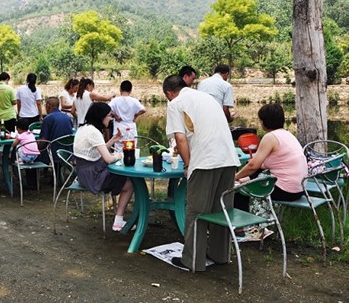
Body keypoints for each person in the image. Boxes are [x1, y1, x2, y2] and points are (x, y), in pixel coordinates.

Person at [163, 74, 239, 271]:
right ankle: (220, 255)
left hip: (205, 161)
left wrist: (188, 165)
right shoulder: (207, 98)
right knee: (221, 210)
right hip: (229, 159)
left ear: (169, 93)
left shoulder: (175, 103)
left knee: (196, 211)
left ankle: (192, 261)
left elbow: (180, 139)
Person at [73, 102, 133, 232]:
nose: (110, 119)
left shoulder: (83, 128)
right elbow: (108, 158)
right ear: (100, 117)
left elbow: (95, 151)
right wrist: (120, 155)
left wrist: (112, 140)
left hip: (83, 173)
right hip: (93, 176)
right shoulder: (94, 132)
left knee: (125, 178)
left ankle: (121, 218)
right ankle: (118, 221)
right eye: (109, 116)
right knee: (129, 184)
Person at [234, 103, 308, 208]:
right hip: (300, 189)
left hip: (285, 191)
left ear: (263, 122)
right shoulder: (287, 134)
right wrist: (243, 179)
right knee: (256, 175)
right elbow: (261, 166)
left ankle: (246, 223)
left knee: (240, 193)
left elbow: (253, 166)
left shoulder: (270, 137)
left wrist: (235, 177)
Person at [109, 80, 146, 152]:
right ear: (130, 90)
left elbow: (107, 109)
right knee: (131, 150)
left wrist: (115, 116)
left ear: (120, 89)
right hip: (130, 127)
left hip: (119, 127)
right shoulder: (134, 100)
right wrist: (136, 115)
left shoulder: (115, 100)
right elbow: (144, 110)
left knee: (119, 149)